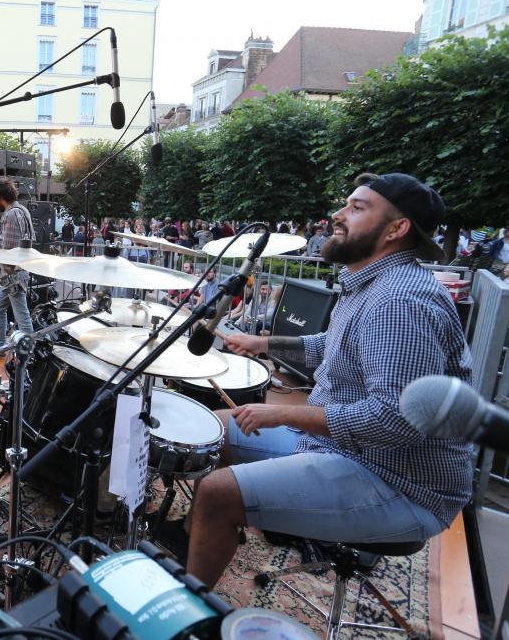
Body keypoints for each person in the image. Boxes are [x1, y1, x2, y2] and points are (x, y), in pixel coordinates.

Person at [185, 172, 471, 588]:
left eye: (356, 208)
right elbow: (329, 345)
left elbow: (397, 420)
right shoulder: (370, 283)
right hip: (348, 448)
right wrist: (261, 342)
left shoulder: (399, 302)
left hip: (399, 481)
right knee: (210, 430)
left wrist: (281, 415)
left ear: (396, 228)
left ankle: (188, 617)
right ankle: (197, 543)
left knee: (217, 492)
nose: (337, 215)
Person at [0, 179, 35, 350]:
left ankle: (30, 351)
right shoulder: (22, 210)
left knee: (22, 316)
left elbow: (9, 252)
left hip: (12, 276)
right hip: (18, 272)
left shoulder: (10, 215)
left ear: (1, 197)